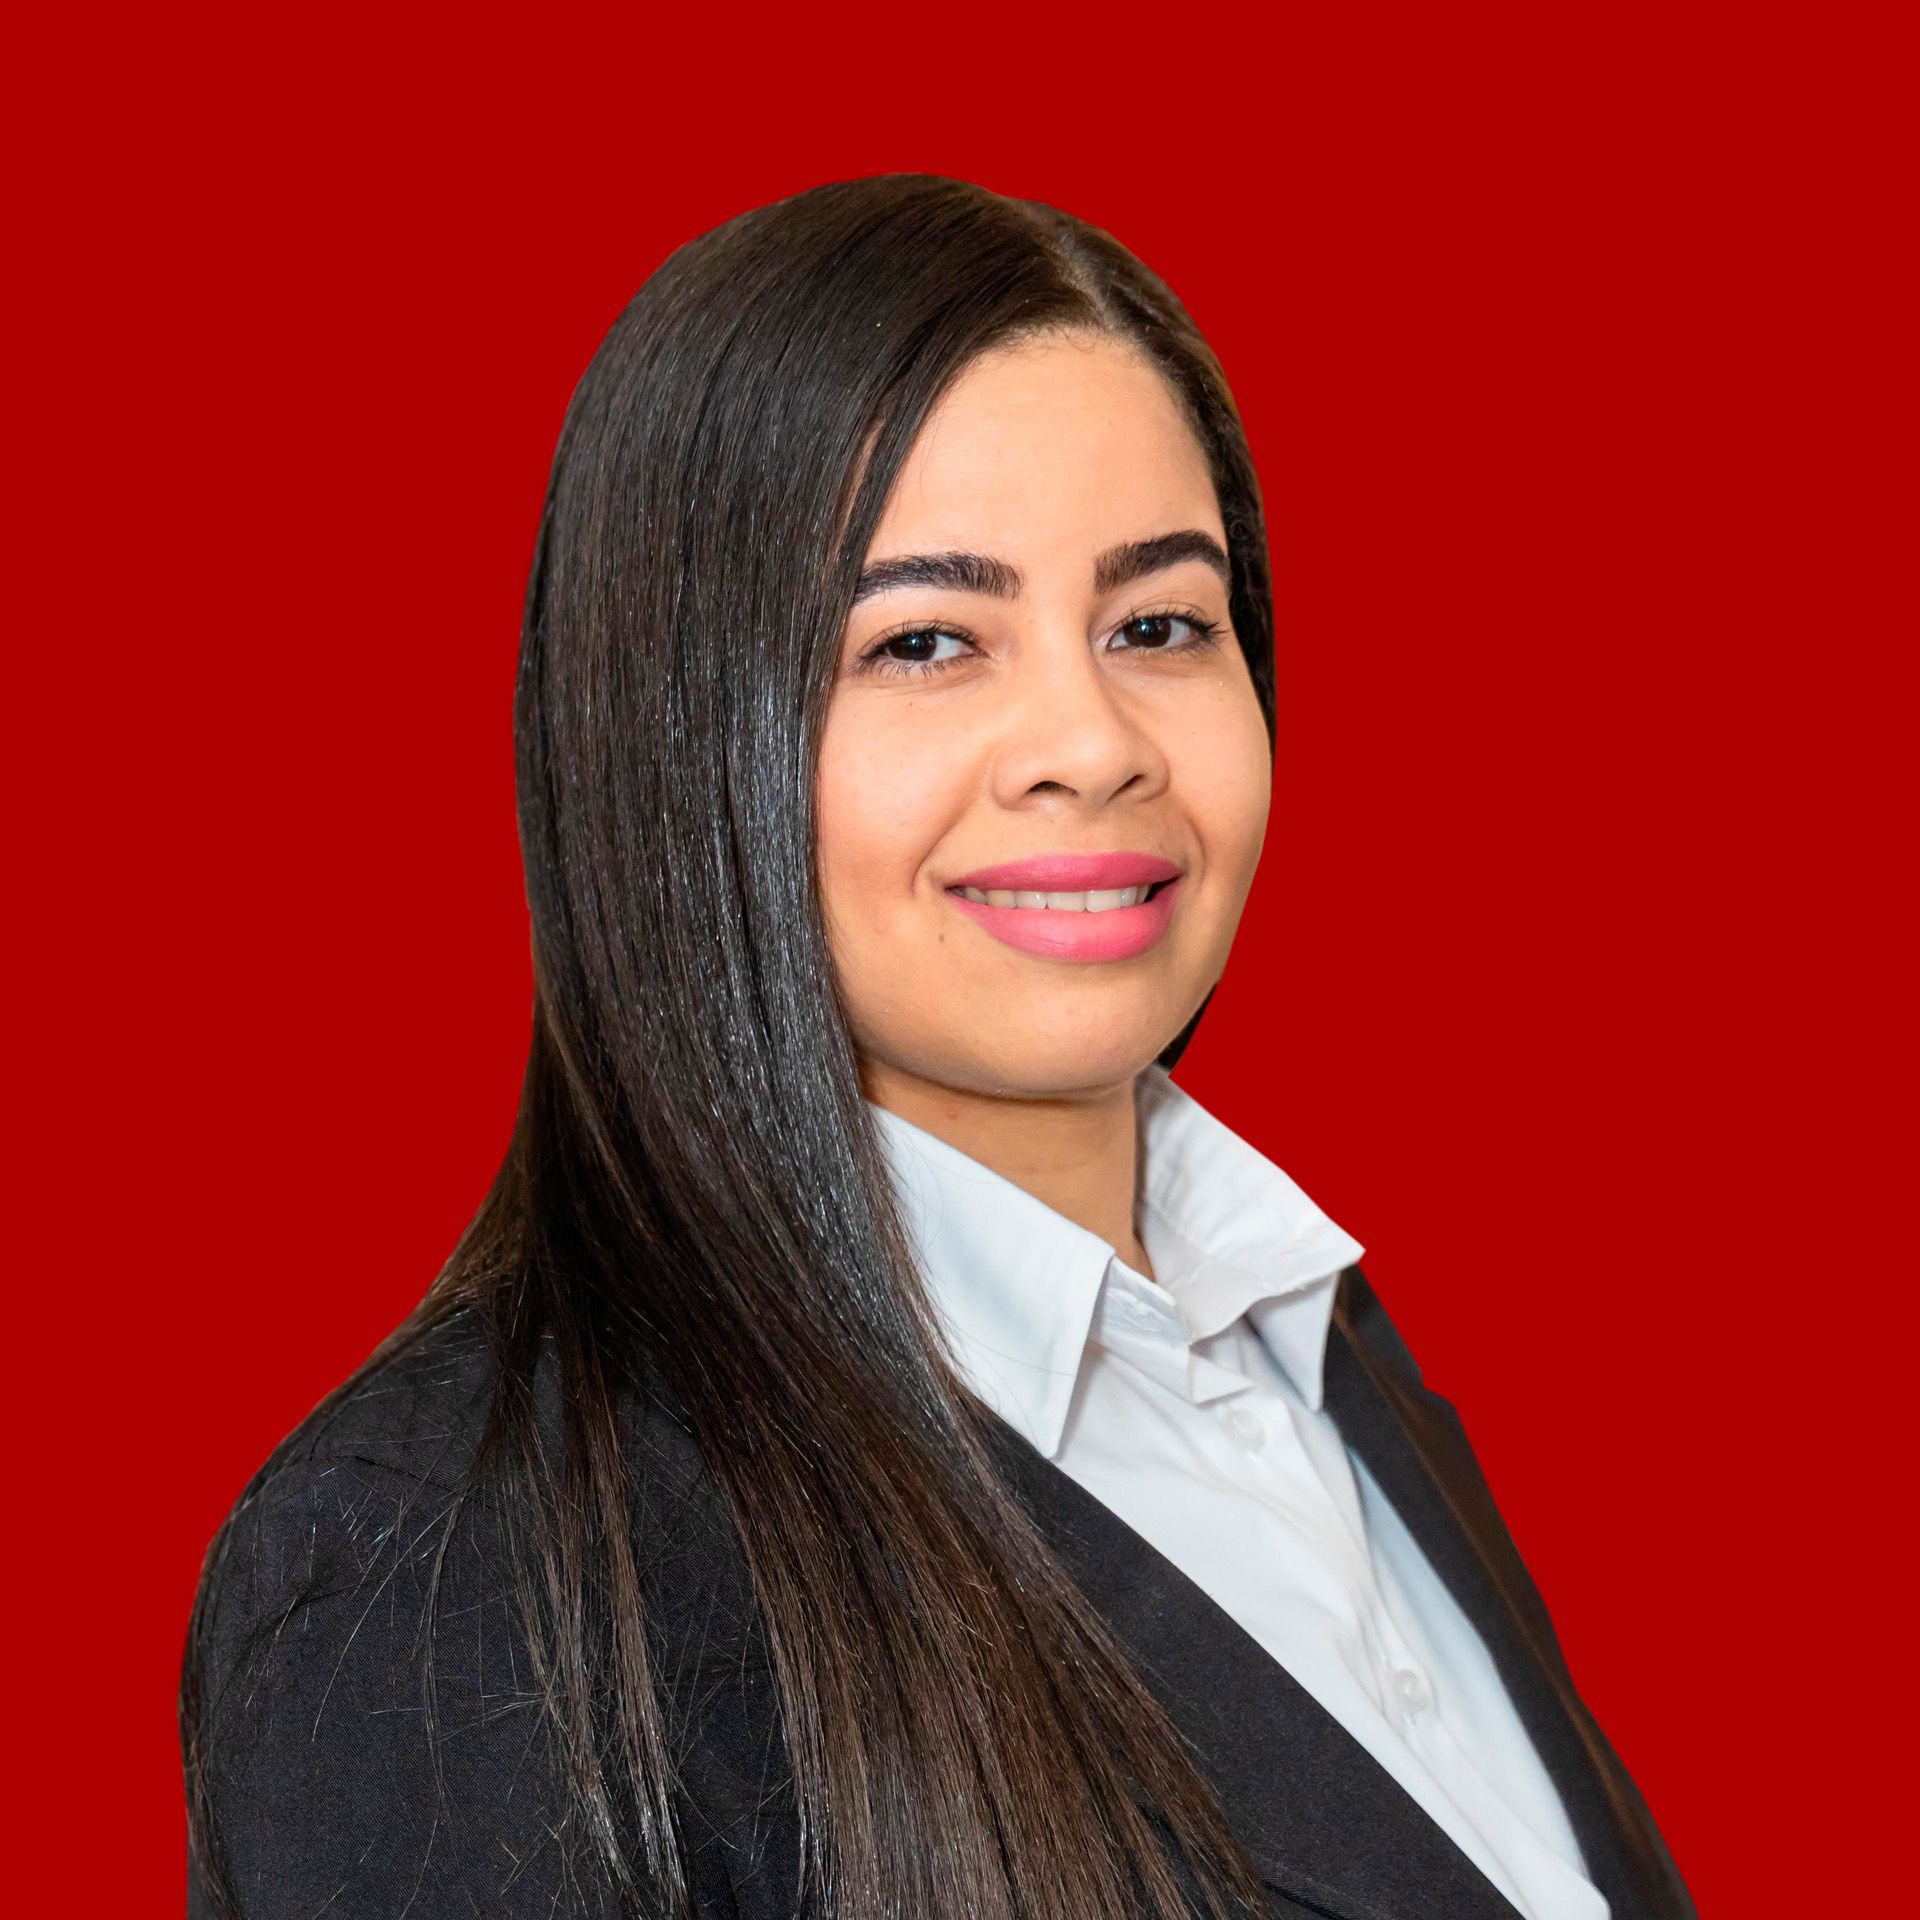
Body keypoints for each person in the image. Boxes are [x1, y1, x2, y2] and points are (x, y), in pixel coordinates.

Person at [179, 173, 1695, 1920]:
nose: (1090, 740)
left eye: (1158, 625)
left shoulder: (1304, 1340)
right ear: (677, 742)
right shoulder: (455, 1566)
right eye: (923, 643)